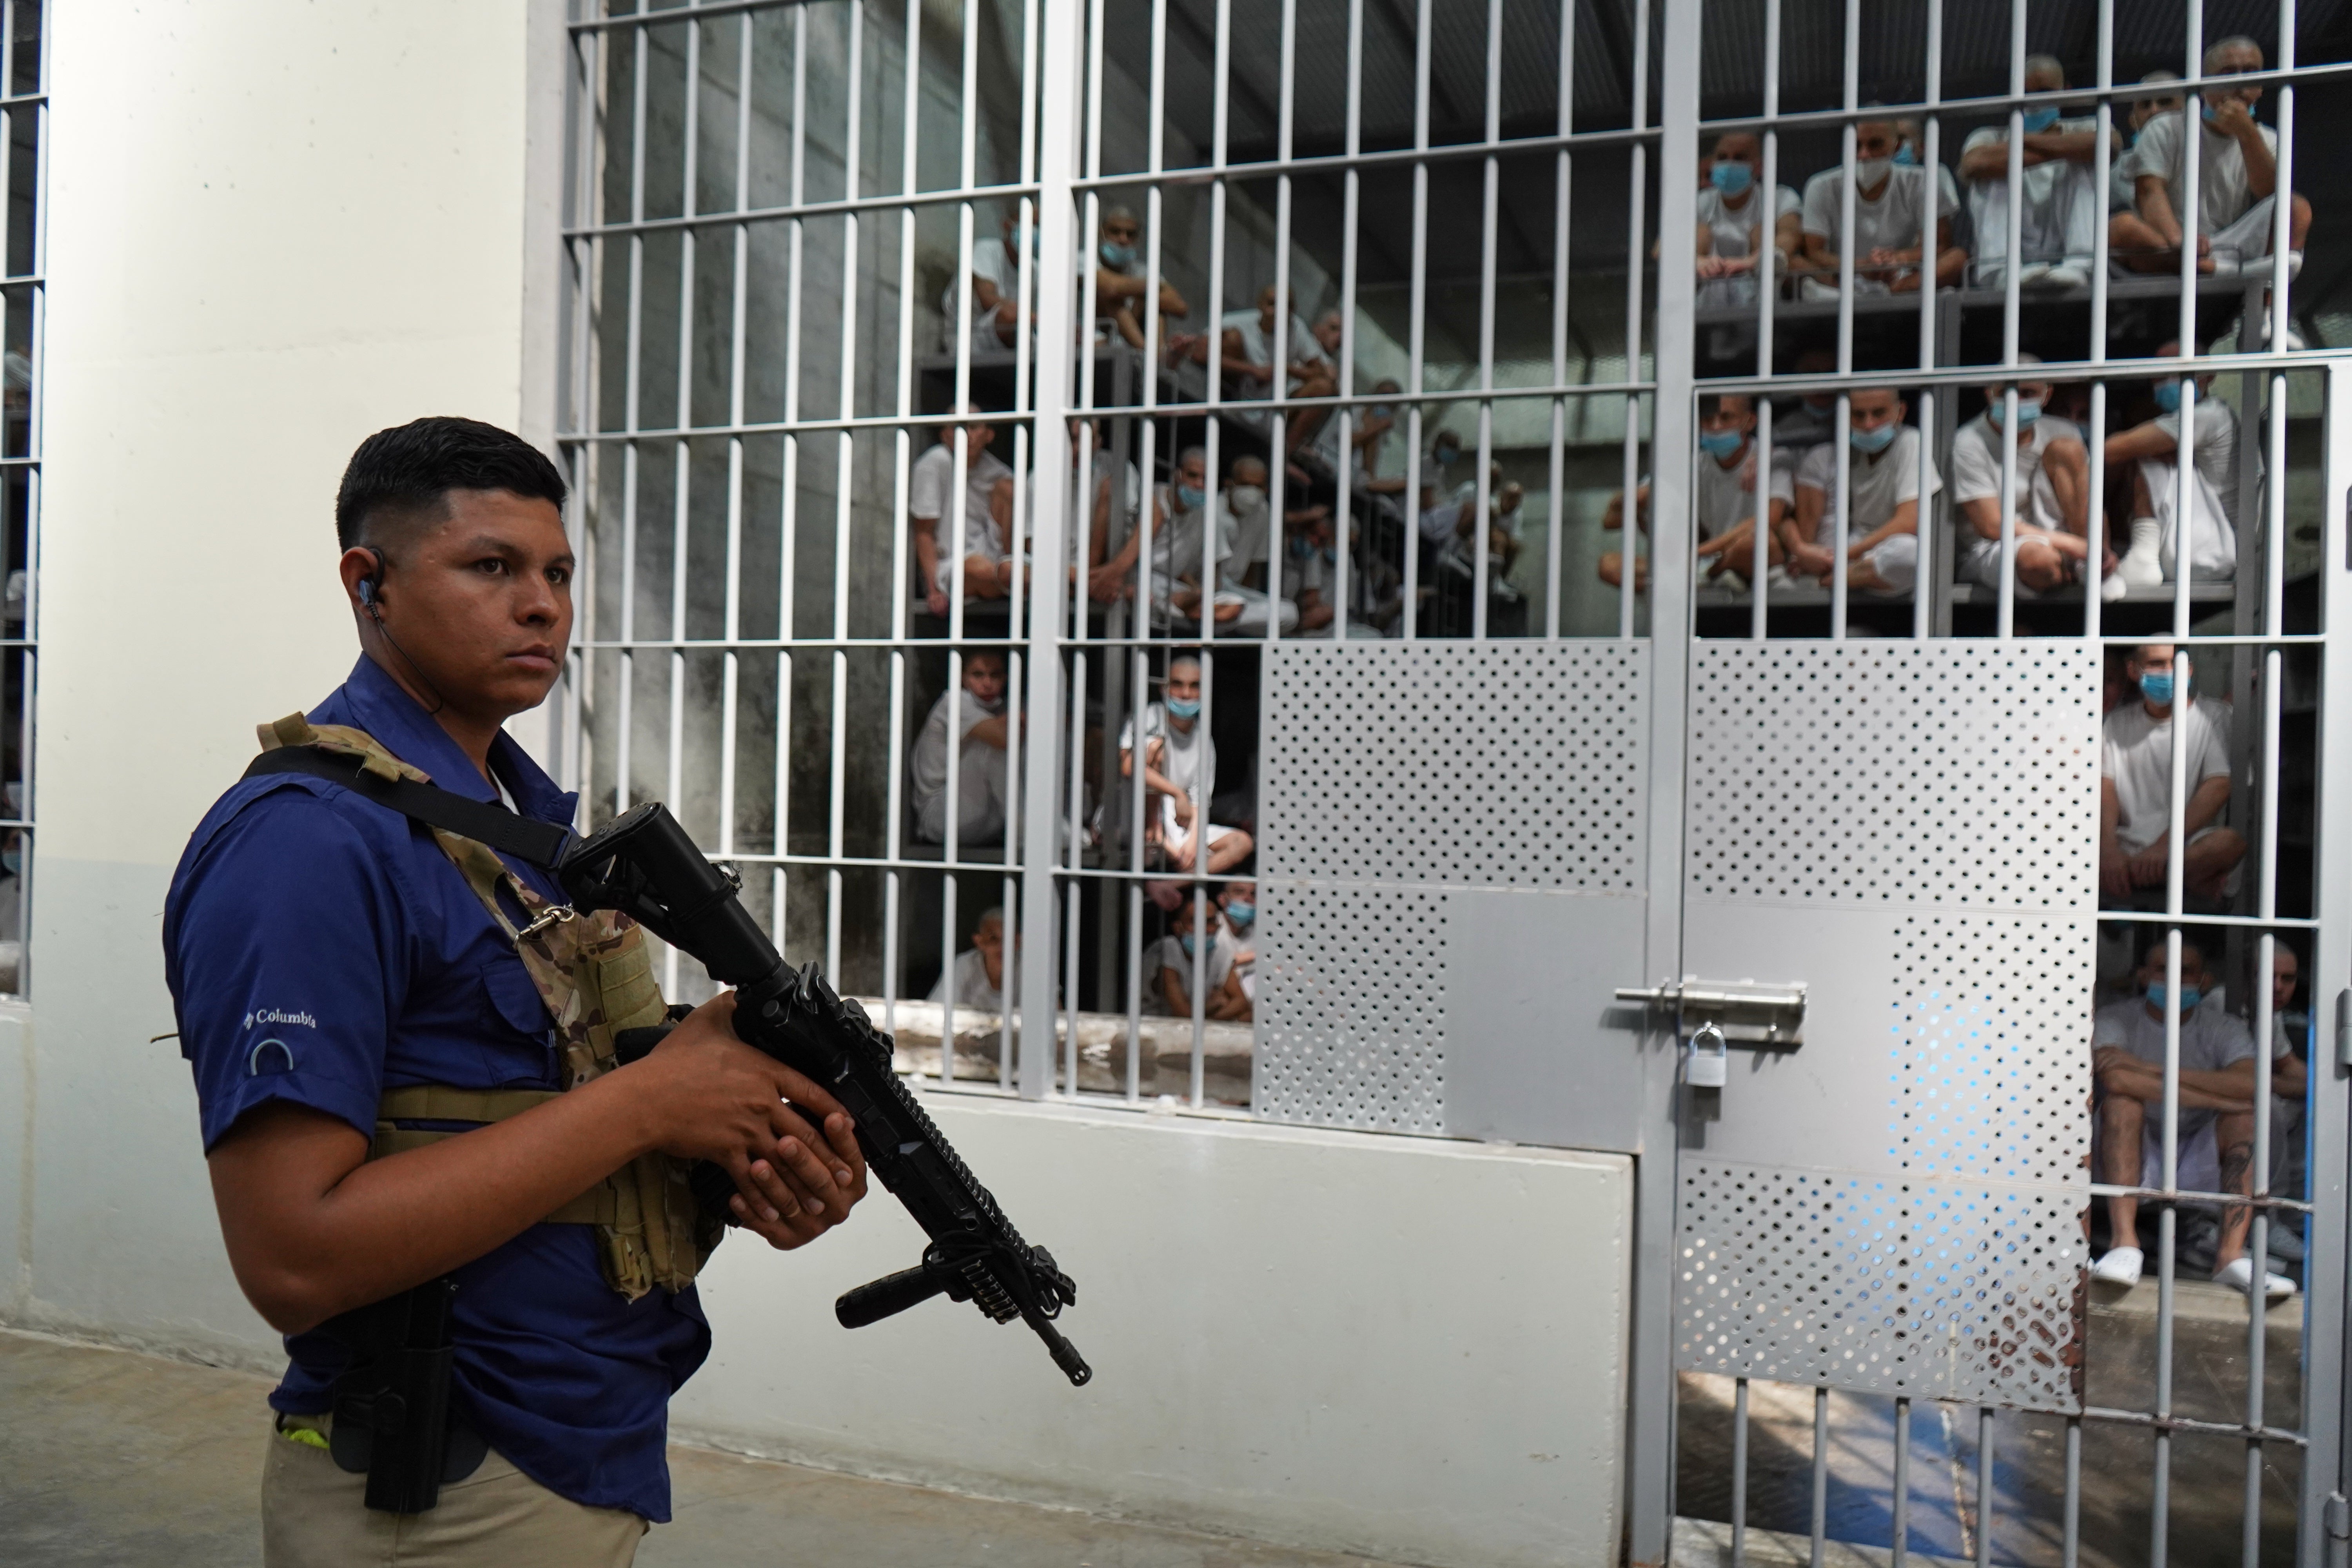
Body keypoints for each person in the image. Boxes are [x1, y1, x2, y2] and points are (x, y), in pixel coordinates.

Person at [163, 417, 868, 1564]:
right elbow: (291, 1256)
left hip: (580, 1444)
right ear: (369, 583)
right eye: (490, 567)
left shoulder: (518, 830)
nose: (542, 605)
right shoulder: (309, 843)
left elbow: (540, 1123)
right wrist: (651, 1104)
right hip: (438, 1483)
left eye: (556, 573)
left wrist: (740, 1161)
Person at [2091, 935, 2297, 1298]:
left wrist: (2147, 1070)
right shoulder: (2115, 1020)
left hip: (2196, 1146)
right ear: (2142, 976)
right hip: (2134, 1145)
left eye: (2186, 972)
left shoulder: (2224, 1027)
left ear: (2203, 981)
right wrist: (2215, 1094)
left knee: (2245, 1118)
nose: (2175, 979)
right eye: (2163, 969)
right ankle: (2125, 1245)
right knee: (2122, 1103)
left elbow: (2251, 1085)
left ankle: (2230, 1257)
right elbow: (2116, 1078)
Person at [2112, 36, 2311, 286]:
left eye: (2250, 73)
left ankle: (2265, 312)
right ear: (2204, 85)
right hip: (2167, 243)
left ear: (2260, 88)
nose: (2239, 82)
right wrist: (2180, 241)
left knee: (2296, 208)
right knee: (2121, 229)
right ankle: (2216, 271)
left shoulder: (2267, 139)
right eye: (2228, 73)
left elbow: (2270, 193)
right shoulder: (2166, 127)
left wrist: (2247, 134)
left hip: (2230, 246)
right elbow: (2149, 191)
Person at [1598, 394, 1794, 593]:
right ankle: (1707, 577)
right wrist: (1639, 497)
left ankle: (1702, 578)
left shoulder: (1773, 457)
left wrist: (1697, 553)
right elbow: (1611, 521)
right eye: (1708, 420)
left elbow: (1769, 520)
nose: (1716, 427)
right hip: (1708, 560)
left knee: (1756, 542)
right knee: (1610, 566)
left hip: (1756, 555)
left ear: (1750, 421)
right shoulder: (1696, 463)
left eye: (1726, 418)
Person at [2099, 642, 2245, 907]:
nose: (2168, 672)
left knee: (2230, 843)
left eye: (2175, 664)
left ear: (2189, 671)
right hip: (2128, 846)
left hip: (2183, 848)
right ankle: (2186, 879)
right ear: (2134, 671)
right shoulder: (2117, 723)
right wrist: (2108, 849)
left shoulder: (2211, 716)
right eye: (2157, 664)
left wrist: (2164, 846)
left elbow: (2220, 784)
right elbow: (2104, 786)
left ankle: (2141, 875)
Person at [1960, 56, 2115, 288]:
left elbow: (2110, 145)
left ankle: (2081, 266)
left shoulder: (2088, 126)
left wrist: (2023, 142)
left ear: (2066, 91)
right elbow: (1973, 165)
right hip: (2013, 251)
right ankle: (2001, 271)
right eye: (2026, 93)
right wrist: (2064, 146)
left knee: (2086, 159)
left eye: (2045, 91)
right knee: (1997, 168)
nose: (2034, 102)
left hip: (2065, 246)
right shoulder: (1988, 136)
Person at [2105, 342, 2249, 589]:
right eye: (2159, 374)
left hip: (2205, 548)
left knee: (2140, 455)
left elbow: (2110, 450)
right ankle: (2134, 549)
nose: (2166, 379)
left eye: (2178, 369)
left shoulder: (2209, 415)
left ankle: (2143, 556)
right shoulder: (2207, 416)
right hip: (2205, 549)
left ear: (2208, 375)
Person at [1949, 359, 2095, 594]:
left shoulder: (2063, 431)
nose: (2015, 399)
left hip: (2061, 535)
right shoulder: (1968, 441)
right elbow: (1991, 526)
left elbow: (2090, 501)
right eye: (2005, 392)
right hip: (1994, 546)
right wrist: (2071, 545)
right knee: (2040, 562)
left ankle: (2091, 565)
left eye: (2028, 393)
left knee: (2066, 449)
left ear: (2046, 396)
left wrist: (2100, 550)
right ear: (1989, 395)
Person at [1785, 387, 1938, 595]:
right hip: (1856, 546)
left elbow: (1909, 521)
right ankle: (1848, 574)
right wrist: (1803, 551)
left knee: (1910, 553)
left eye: (1878, 413)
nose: (1868, 425)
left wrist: (1844, 557)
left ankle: (1836, 579)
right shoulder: (1834, 454)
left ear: (1900, 412)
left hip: (1880, 549)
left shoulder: (1911, 442)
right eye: (1859, 415)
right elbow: (1784, 519)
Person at [1798, 114, 1965, 297]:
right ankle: (1853, 295)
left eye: (1875, 145)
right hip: (1840, 280)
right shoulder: (1821, 186)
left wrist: (1899, 259)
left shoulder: (1922, 182)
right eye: (1856, 145)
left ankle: (1893, 292)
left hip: (1903, 277)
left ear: (1897, 146)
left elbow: (1941, 245)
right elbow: (1814, 252)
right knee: (1793, 263)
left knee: (1958, 258)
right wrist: (1859, 266)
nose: (1864, 155)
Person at [1119, 651, 1253, 875]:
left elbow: (1200, 800)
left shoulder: (1203, 738)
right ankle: (1156, 834)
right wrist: (1178, 794)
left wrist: (1193, 841)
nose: (1186, 694)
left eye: (1194, 686)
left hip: (1176, 821)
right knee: (1154, 747)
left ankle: (1170, 884)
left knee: (1243, 843)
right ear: (1164, 688)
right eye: (1178, 685)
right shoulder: (1152, 716)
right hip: (1134, 814)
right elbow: (1129, 766)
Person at [909, 409, 1015, 618]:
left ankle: (1015, 576)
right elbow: (924, 532)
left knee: (1010, 489)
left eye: (974, 427)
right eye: (957, 428)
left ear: (989, 435)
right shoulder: (934, 463)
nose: (966, 434)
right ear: (945, 435)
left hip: (994, 560)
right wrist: (933, 590)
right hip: (949, 567)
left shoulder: (998, 472)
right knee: (990, 570)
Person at [908, 650, 1011, 844]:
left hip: (988, 818)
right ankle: (1028, 830)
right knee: (990, 746)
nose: (988, 683)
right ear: (964, 679)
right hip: (941, 816)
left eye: (995, 675)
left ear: (1005, 679)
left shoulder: (1003, 706)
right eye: (978, 675)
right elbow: (1002, 738)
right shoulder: (954, 701)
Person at [1221, 286, 1338, 456]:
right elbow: (1201, 353)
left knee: (1324, 387)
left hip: (1273, 411)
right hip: (1237, 398)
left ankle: (1283, 456)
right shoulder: (1238, 323)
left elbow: (1320, 373)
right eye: (1272, 304)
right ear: (1260, 305)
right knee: (1231, 339)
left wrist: (1284, 368)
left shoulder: (1296, 329)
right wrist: (1255, 371)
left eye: (1287, 306)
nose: (1279, 311)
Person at [1694, 131, 1804, 309]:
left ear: (1758, 167)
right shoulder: (1700, 201)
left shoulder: (1781, 197)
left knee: (1761, 232)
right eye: (1722, 158)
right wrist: (1696, 261)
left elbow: (1790, 236)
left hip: (1761, 297)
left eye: (1739, 158)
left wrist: (1755, 260)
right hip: (1708, 296)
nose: (1729, 164)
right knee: (1700, 233)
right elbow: (1660, 248)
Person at [1089, 204, 1189, 350]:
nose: (1123, 239)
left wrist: (1142, 291)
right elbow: (1111, 288)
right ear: (1101, 232)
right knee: (1114, 299)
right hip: (1092, 342)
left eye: (1130, 234)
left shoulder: (1141, 270)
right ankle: (1147, 355)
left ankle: (1157, 356)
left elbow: (1180, 307)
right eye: (1115, 232)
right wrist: (1154, 285)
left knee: (1156, 305)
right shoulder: (1085, 260)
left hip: (1126, 345)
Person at [1140, 888, 1249, 1021]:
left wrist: (1208, 1020)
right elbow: (1182, 1013)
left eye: (1210, 922)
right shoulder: (1169, 948)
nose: (1203, 929)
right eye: (1195, 922)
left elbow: (1241, 1003)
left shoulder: (1221, 951)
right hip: (1154, 1025)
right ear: (1178, 928)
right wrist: (1216, 1005)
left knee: (1247, 1017)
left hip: (1198, 1024)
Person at [942, 211, 1028, 355]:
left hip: (1009, 344)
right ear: (1008, 225)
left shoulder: (1034, 268)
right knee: (1010, 315)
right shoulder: (987, 250)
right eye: (1031, 224)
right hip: (968, 339)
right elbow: (987, 300)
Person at [929, 906, 1009, 1015]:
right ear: (979, 942)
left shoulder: (1026, 968)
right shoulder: (964, 965)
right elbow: (937, 1013)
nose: (1002, 947)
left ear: (1019, 941)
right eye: (993, 939)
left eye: (1010, 939)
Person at [1216, 879, 1259, 1005]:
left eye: (1253, 894)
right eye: (1239, 892)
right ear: (1223, 900)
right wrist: (1260, 955)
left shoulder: (1260, 930)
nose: (1248, 899)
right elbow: (1217, 963)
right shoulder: (1212, 926)